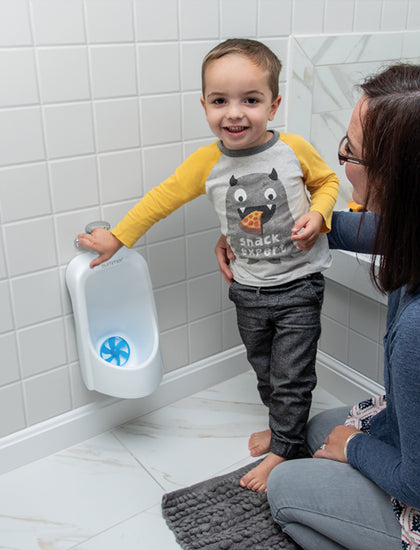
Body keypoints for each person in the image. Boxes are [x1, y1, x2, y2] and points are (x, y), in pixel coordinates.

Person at [215, 64, 420, 549]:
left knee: (288, 489)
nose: (342, 161)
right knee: (318, 431)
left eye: (349, 151)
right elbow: (367, 230)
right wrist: (265, 232)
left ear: (402, 180)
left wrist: (355, 447)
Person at [76, 38, 339, 492]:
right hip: (248, 289)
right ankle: (283, 427)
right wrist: (118, 238)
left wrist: (320, 214)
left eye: (250, 100)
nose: (234, 113)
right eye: (220, 101)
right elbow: (161, 199)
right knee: (265, 369)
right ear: (204, 106)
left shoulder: (293, 149)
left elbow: (328, 181)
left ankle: (285, 448)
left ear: (274, 105)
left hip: (299, 286)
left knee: (293, 374)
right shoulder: (206, 163)